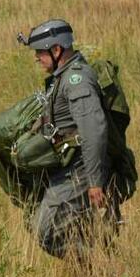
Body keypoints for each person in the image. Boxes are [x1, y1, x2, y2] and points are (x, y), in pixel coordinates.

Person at [20, 19, 113, 261]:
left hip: (80, 170)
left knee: (46, 231)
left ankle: (101, 267)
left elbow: (93, 131)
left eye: (40, 52)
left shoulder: (77, 81)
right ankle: (93, 270)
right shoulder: (63, 76)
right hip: (67, 165)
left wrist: (95, 182)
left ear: (57, 49)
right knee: (53, 224)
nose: (37, 58)